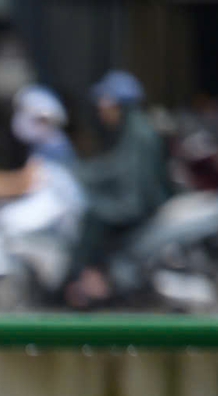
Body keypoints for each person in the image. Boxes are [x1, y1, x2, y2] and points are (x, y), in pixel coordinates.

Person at [67, 71, 172, 306]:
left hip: (138, 205)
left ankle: (86, 279)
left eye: (104, 103)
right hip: (139, 200)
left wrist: (83, 174)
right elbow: (115, 164)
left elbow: (123, 172)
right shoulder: (131, 129)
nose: (101, 110)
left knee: (93, 215)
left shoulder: (137, 132)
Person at [0, 85, 87, 293]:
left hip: (61, 216)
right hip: (55, 214)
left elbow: (26, 182)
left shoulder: (54, 144)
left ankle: (5, 282)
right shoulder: (47, 145)